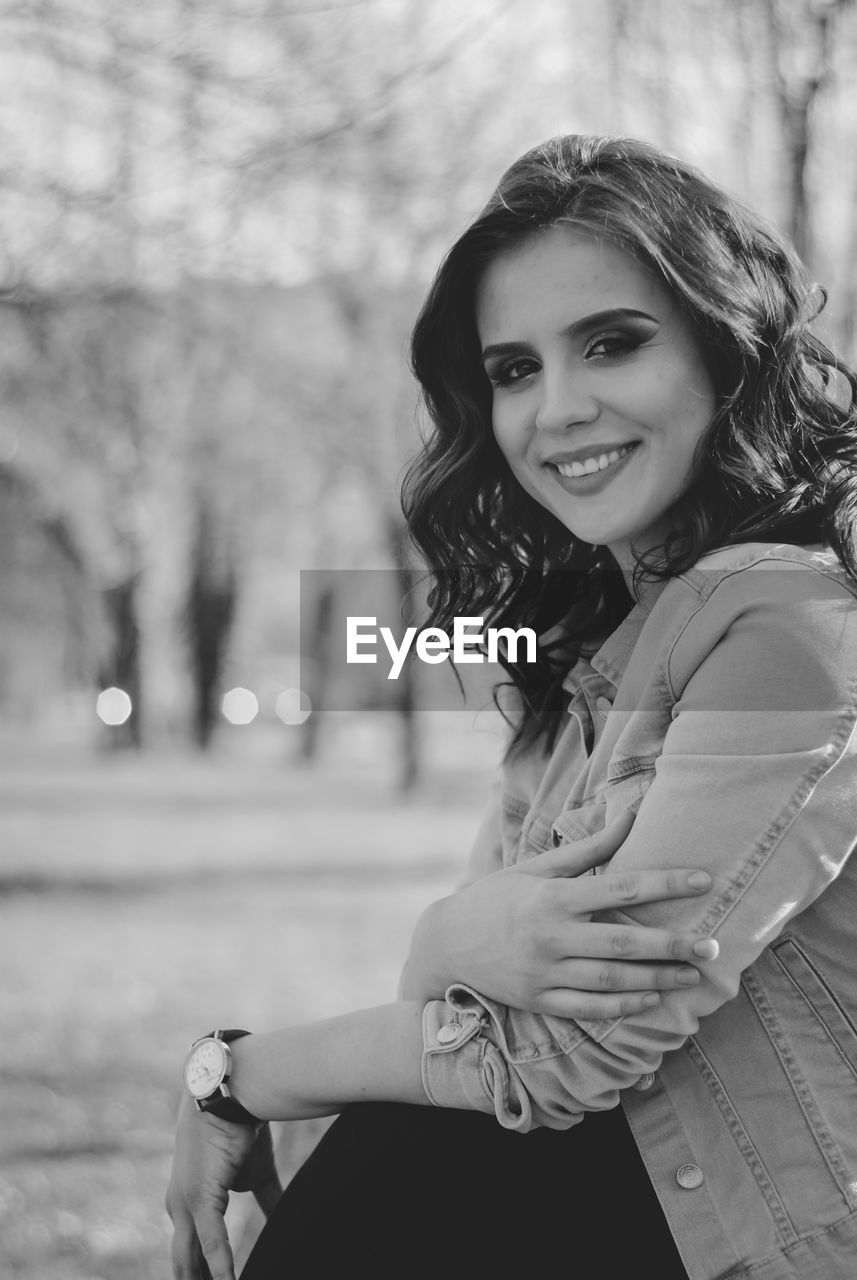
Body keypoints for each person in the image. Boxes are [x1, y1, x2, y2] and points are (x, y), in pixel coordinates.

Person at [166, 135, 857, 1280]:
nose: (558, 407)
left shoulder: (788, 634)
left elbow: (558, 1049)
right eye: (513, 368)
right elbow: (462, 1009)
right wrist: (446, 942)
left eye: (611, 343)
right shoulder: (590, 645)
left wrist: (238, 1074)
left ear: (723, 348)